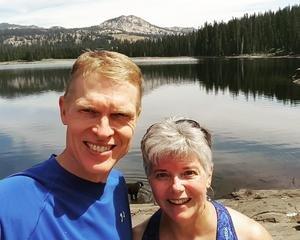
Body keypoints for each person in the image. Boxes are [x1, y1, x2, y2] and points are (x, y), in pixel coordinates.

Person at [0, 50, 143, 239]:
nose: (103, 131)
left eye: (120, 115)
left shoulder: (117, 185)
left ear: (136, 118)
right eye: (88, 110)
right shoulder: (7, 204)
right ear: (64, 110)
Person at [133, 117, 273, 240]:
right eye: (162, 175)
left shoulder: (250, 236)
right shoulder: (136, 237)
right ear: (149, 178)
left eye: (189, 173)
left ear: (209, 175)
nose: (176, 187)